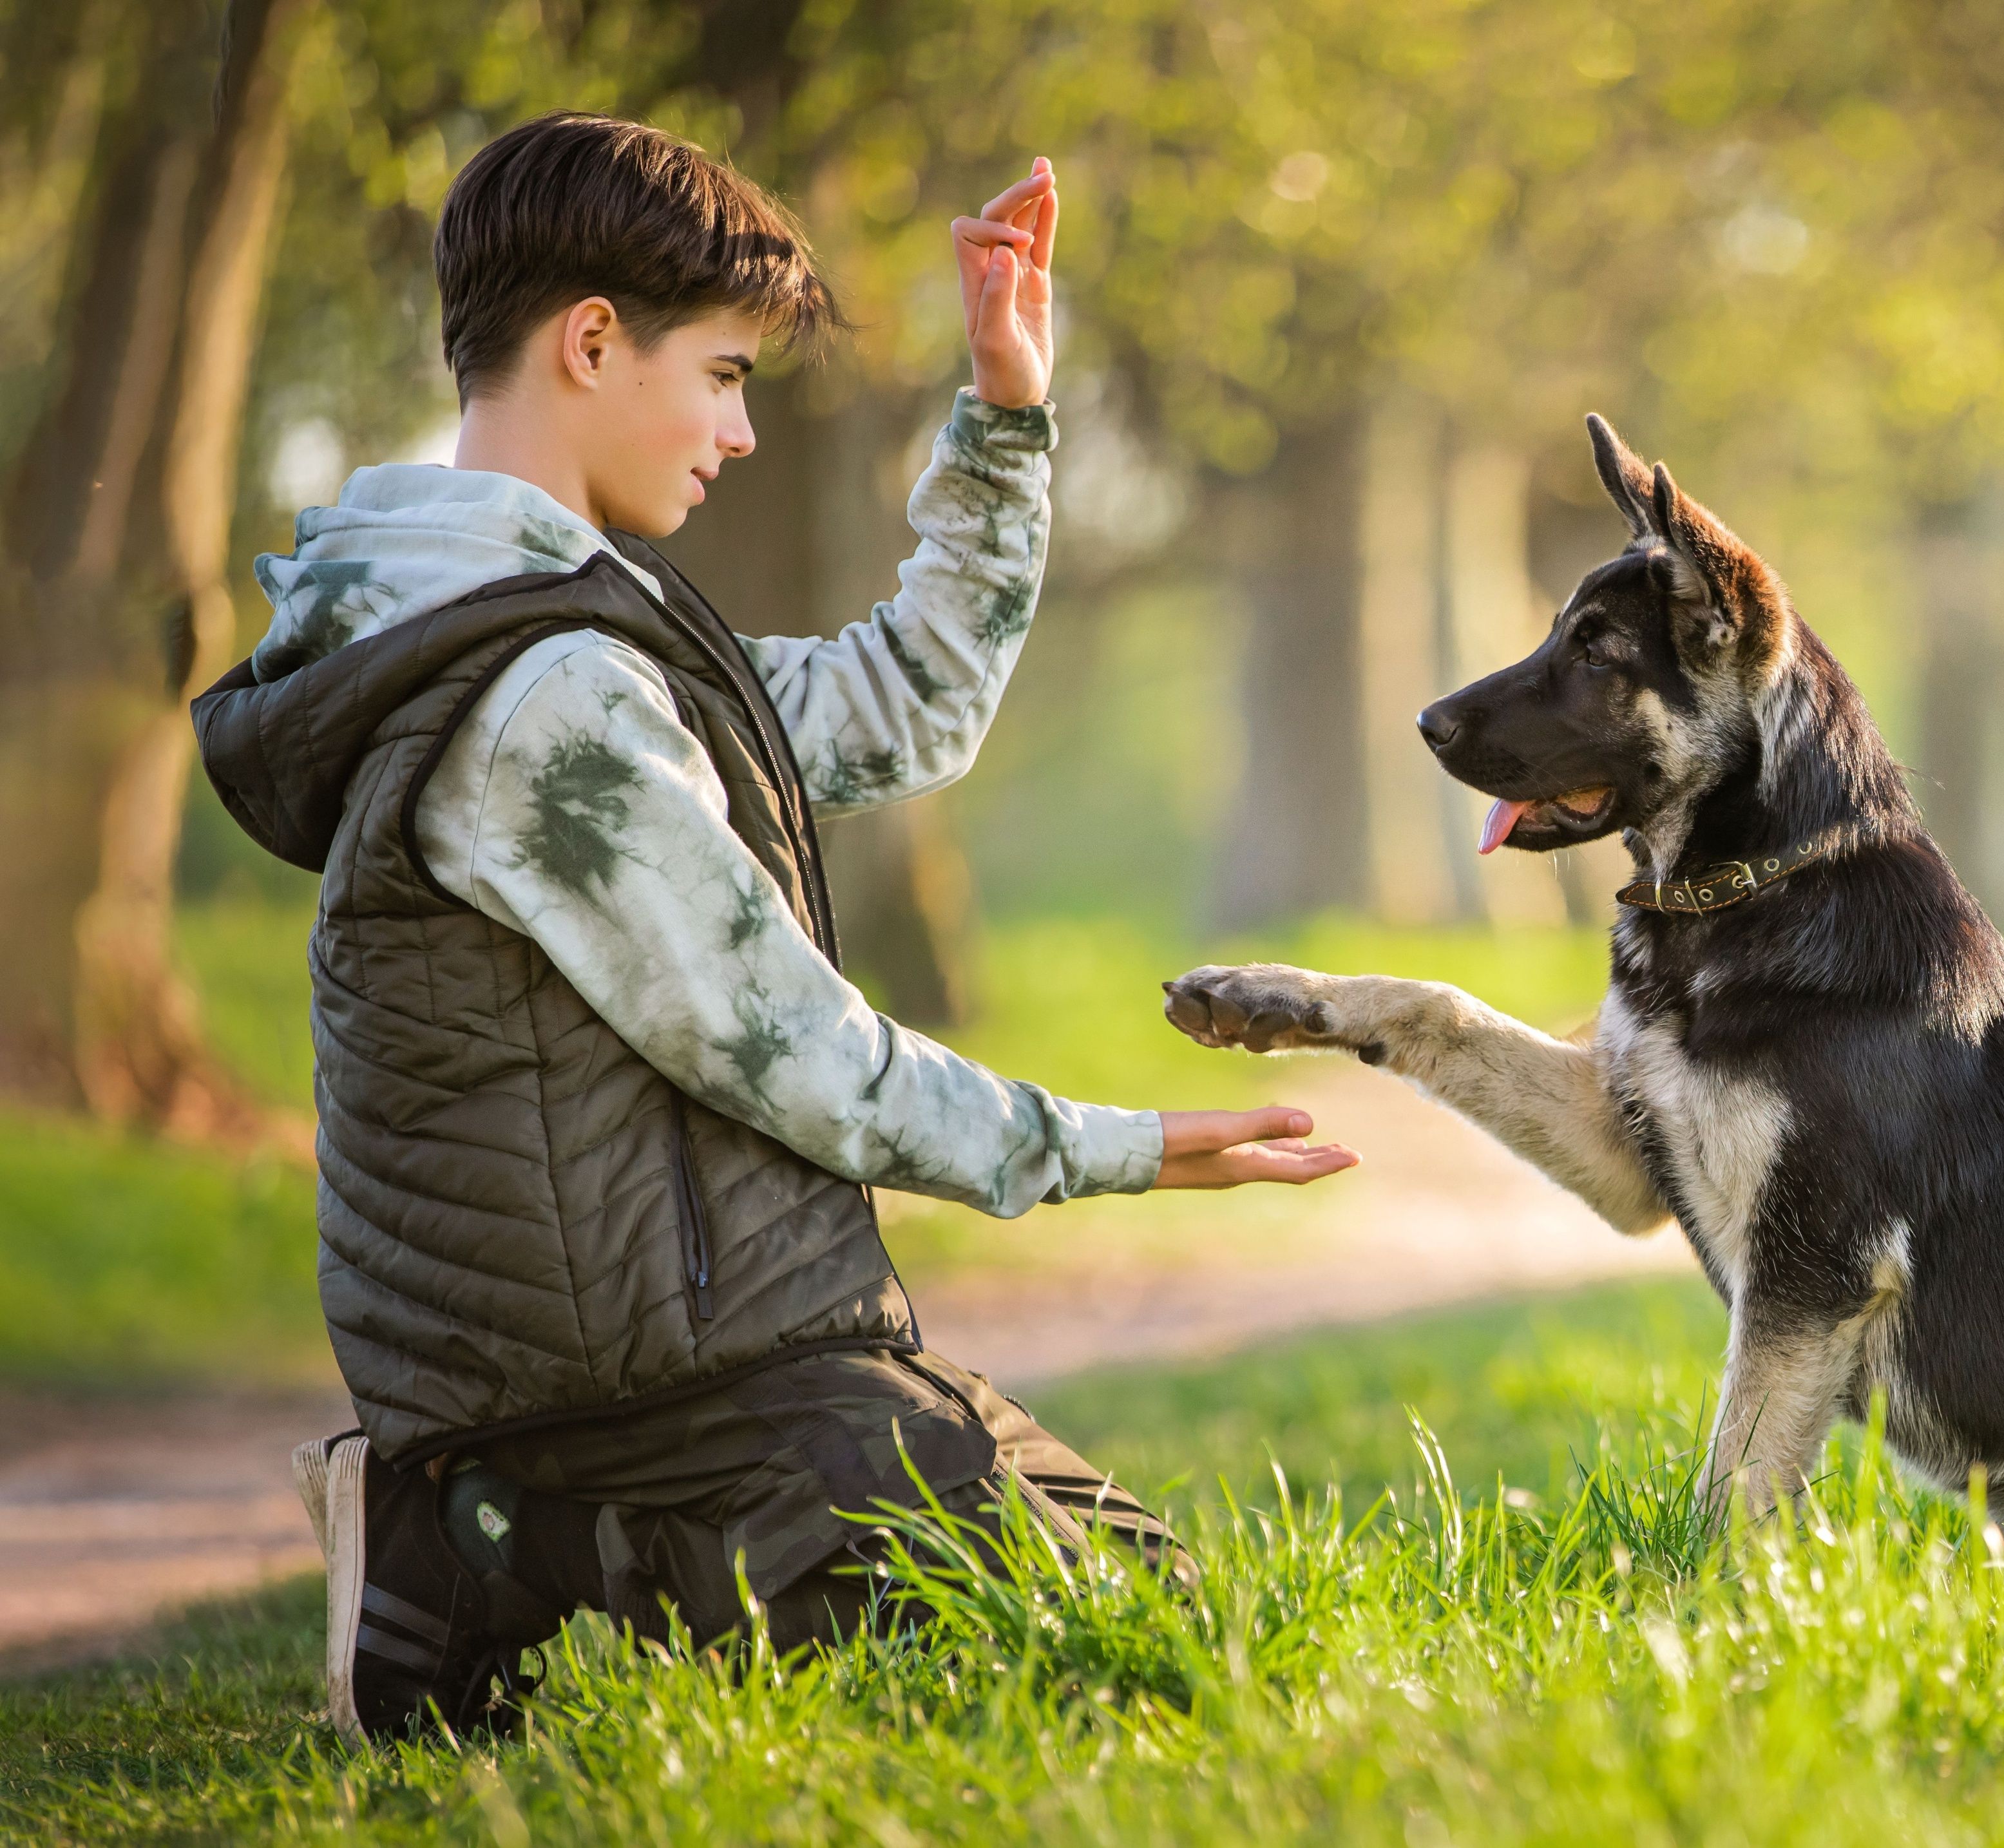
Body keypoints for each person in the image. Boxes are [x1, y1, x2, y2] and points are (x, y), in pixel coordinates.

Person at [192, 111, 1357, 1747]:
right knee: (1131, 1642)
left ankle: (475, 1543)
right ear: (592, 342)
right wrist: (1119, 1145)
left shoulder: (570, 629)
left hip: (669, 1349)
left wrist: (1007, 416)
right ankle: (485, 1528)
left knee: (1140, 1613)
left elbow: (899, 712)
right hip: (655, 1384)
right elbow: (799, 1054)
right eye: (727, 375)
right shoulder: (544, 702)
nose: (740, 434)